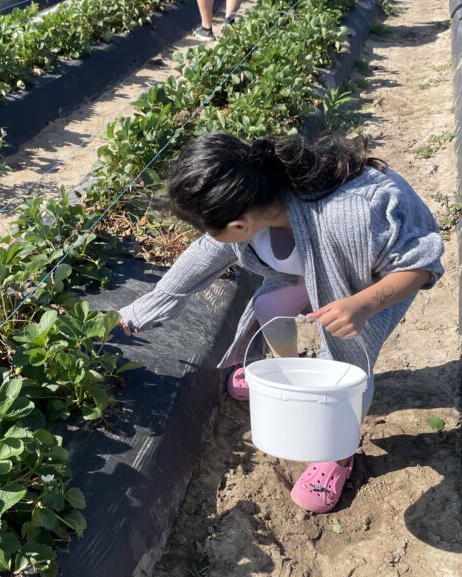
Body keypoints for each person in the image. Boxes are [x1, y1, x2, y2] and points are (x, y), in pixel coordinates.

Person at [118, 132, 444, 513]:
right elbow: (207, 253)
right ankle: (290, 375)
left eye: (209, 228)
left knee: (344, 366)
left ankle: (335, 455)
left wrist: (361, 305)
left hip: (369, 281)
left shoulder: (356, 211)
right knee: (270, 305)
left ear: (239, 224)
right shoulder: (255, 201)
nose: (209, 237)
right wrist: (148, 306)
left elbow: (421, 264)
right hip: (311, 267)